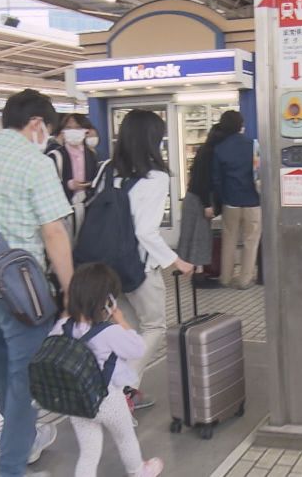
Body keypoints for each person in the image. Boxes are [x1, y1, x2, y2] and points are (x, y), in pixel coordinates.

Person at [0, 89, 74, 477]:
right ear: (37, 124)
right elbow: (54, 232)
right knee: (23, 383)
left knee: (2, 375)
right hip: (20, 296)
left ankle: (21, 447)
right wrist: (71, 289)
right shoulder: (34, 162)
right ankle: (10, 469)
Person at [109, 109, 194, 409]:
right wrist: (176, 261)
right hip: (139, 268)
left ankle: (126, 392)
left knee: (127, 331)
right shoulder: (155, 177)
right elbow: (145, 231)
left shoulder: (107, 169)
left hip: (108, 268)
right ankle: (122, 388)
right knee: (155, 327)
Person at [49, 263, 164, 477]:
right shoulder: (109, 332)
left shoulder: (62, 326)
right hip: (109, 400)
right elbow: (138, 348)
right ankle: (139, 471)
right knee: (125, 438)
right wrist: (121, 319)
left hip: (78, 403)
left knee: (89, 452)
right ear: (107, 301)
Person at [212, 110, 261, 290]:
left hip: (230, 201)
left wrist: (223, 197)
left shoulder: (220, 148)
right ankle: (244, 280)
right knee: (250, 241)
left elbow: (216, 179)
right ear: (241, 125)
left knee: (229, 240)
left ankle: (225, 277)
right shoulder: (253, 145)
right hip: (252, 201)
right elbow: (259, 173)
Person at [177, 124, 226, 288]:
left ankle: (197, 273)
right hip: (198, 200)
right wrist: (207, 205)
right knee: (199, 238)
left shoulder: (204, 151)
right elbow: (203, 182)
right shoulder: (210, 154)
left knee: (195, 237)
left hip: (193, 198)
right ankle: (198, 277)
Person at [48, 113, 99, 241]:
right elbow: (48, 187)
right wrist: (69, 185)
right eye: (69, 128)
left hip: (86, 208)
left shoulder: (91, 155)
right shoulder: (55, 156)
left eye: (77, 128)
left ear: (85, 131)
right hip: (64, 212)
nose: (73, 131)